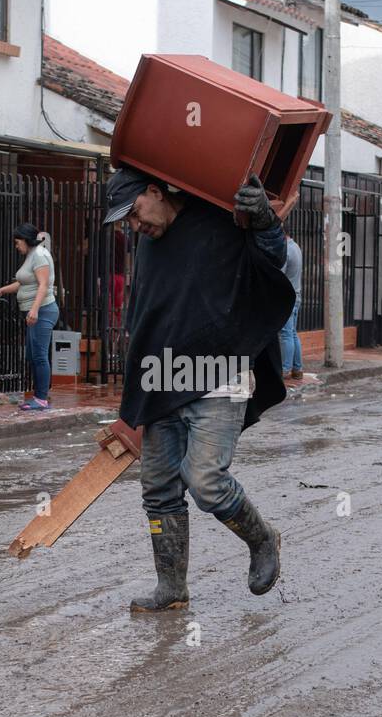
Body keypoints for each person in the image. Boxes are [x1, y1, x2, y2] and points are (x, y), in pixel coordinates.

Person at [103, 166, 294, 612]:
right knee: (158, 490)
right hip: (164, 378)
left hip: (220, 373)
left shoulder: (220, 218)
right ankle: (172, 588)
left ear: (155, 190)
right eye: (127, 223)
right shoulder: (150, 247)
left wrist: (265, 219)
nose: (134, 226)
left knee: (206, 480)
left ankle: (263, 538)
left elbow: (272, 259)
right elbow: (145, 322)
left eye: (133, 213)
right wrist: (132, 406)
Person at [0, 223, 58, 410]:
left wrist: (34, 310)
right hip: (35, 311)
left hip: (43, 310)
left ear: (27, 241)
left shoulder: (40, 256)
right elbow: (23, 283)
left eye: (17, 242)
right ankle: (38, 396)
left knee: (40, 355)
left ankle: (41, 398)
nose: (16, 245)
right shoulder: (31, 256)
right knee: (33, 355)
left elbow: (43, 285)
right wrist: (2, 290)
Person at [278, 233, 304, 380]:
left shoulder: (285, 250)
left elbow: (280, 275)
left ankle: (285, 369)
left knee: (285, 334)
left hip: (287, 297)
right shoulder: (296, 247)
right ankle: (297, 368)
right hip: (296, 295)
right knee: (292, 333)